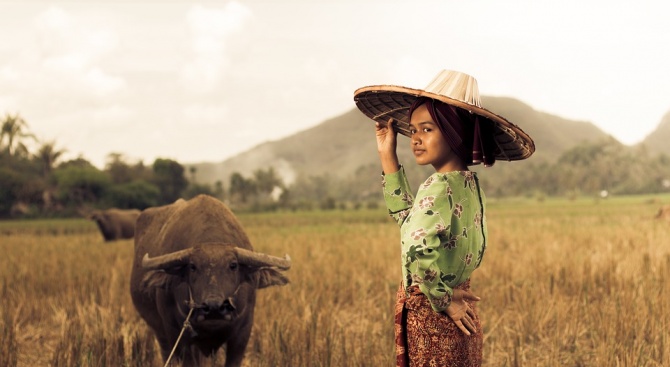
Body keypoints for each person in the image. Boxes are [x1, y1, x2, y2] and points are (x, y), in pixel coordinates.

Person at [353, 70, 535, 367]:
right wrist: (388, 155)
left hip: (436, 312)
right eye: (412, 131)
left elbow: (414, 247)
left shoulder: (439, 186)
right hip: (456, 307)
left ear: (455, 132)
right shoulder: (469, 184)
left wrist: (442, 299)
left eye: (427, 129)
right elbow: (410, 221)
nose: (415, 139)